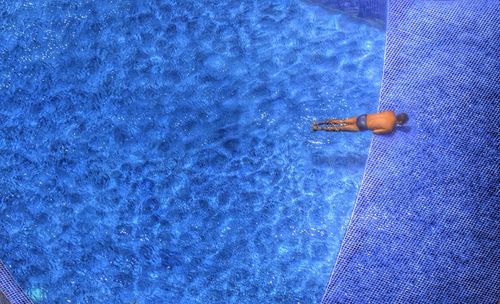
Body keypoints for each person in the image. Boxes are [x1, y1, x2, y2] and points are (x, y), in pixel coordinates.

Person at [312, 111, 408, 134]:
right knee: (341, 128)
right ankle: (318, 129)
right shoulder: (389, 128)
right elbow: (374, 132)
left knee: (341, 121)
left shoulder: (390, 112)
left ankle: (319, 123)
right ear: (400, 121)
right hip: (362, 126)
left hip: (362, 117)